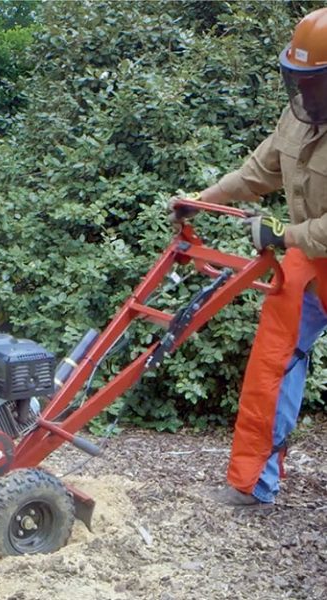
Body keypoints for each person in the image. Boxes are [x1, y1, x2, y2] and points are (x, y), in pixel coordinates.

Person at [174, 7, 327, 506]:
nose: (305, 92)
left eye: (316, 81)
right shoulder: (299, 113)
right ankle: (254, 484)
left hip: (307, 241)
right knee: (270, 365)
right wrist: (202, 198)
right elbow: (257, 173)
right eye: (298, 80)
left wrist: (283, 232)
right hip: (310, 258)